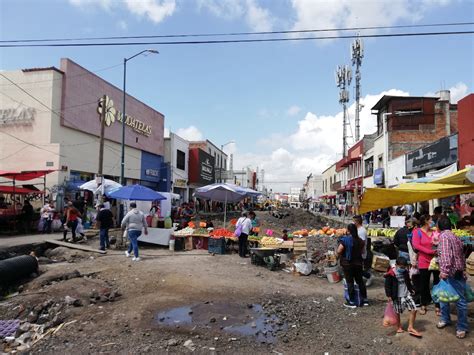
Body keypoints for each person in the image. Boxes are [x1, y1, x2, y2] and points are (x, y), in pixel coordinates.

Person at [436, 216, 468, 339]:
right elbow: (461, 254)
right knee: (444, 297)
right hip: (458, 271)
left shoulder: (443, 237)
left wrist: (444, 271)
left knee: (459, 301)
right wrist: (464, 269)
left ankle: (462, 327)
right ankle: (445, 319)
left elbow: (446, 256)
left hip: (451, 273)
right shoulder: (455, 236)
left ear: (439, 226)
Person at [384, 257, 422, 337]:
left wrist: (411, 289)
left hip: (407, 294)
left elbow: (408, 281)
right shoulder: (391, 273)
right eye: (401, 267)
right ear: (396, 265)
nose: (403, 269)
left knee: (414, 309)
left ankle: (410, 327)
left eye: (404, 267)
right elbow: (387, 285)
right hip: (397, 296)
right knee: (397, 312)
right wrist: (389, 295)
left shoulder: (405, 272)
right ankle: (398, 327)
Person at [411, 214, 440, 315]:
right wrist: (430, 252)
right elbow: (416, 245)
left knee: (437, 284)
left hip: (436, 261)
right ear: (426, 221)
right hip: (423, 261)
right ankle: (424, 304)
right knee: (424, 284)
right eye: (431, 220)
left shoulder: (435, 231)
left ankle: (438, 306)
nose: (433, 221)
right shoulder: (417, 232)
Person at [337, 223, 368, 308]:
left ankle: (351, 302)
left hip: (348, 264)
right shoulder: (360, 240)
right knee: (360, 281)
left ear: (348, 231)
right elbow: (362, 251)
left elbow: (339, 251)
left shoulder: (345, 240)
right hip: (358, 263)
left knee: (350, 282)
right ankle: (365, 300)